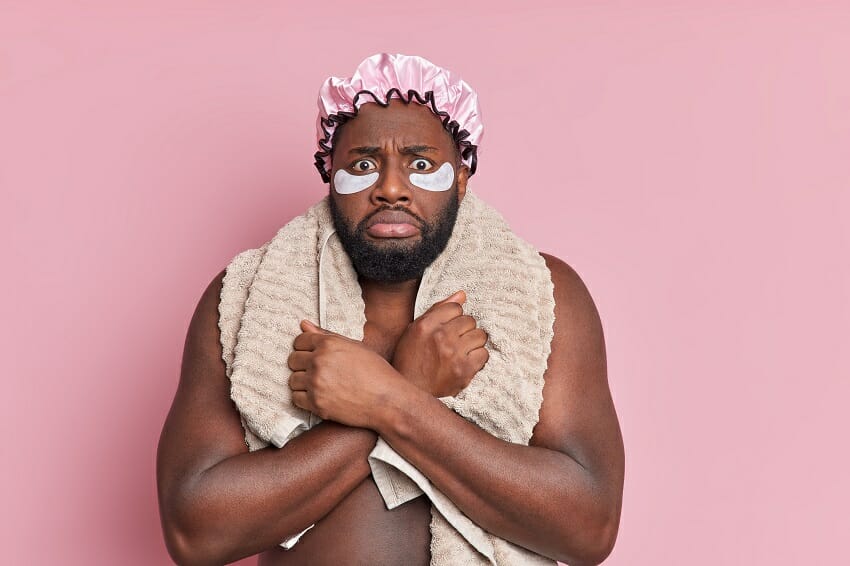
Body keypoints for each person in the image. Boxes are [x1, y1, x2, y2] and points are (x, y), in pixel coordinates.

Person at [157, 53, 624, 566]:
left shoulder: (547, 295)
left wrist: (388, 399)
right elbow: (195, 535)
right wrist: (409, 386)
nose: (391, 188)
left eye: (421, 165)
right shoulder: (242, 298)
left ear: (462, 177)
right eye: (363, 165)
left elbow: (589, 529)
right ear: (329, 173)